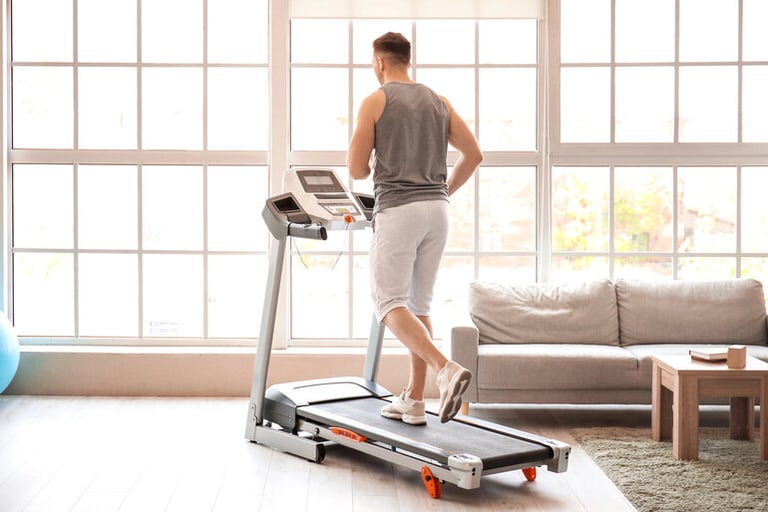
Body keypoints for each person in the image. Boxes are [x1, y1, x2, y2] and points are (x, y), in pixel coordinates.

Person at [347, 32, 483, 424]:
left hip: (398, 210)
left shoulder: (376, 100)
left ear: (379, 62)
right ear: (408, 59)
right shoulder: (440, 102)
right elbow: (474, 155)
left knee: (388, 303)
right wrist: (442, 190)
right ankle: (415, 400)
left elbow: (357, 170)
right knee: (418, 304)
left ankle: (446, 368)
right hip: (437, 211)